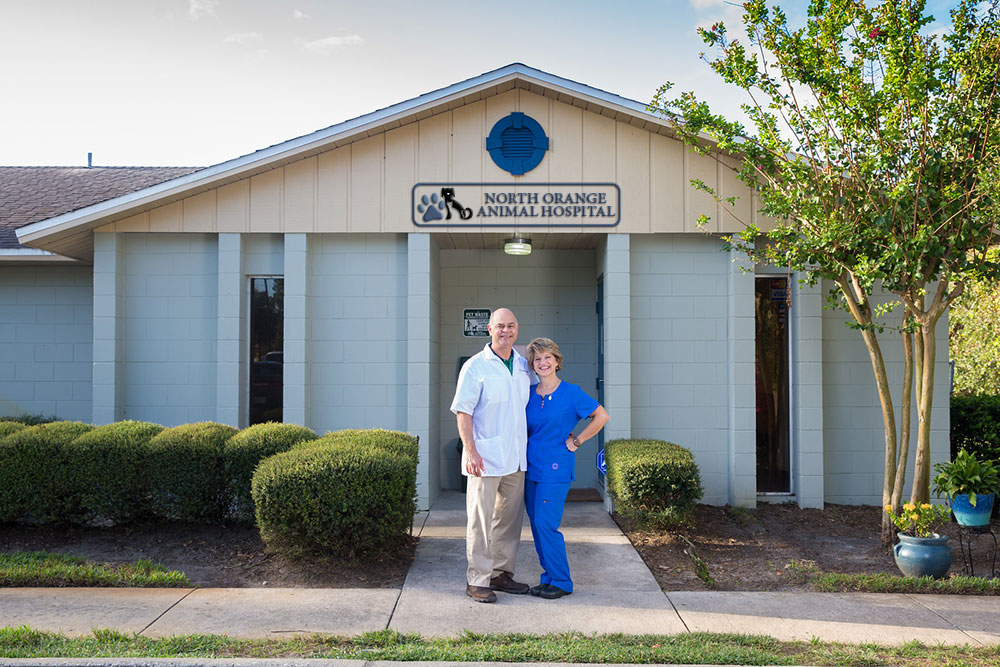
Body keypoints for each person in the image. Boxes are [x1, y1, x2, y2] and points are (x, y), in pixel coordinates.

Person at [450, 307, 533, 603]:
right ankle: (477, 579)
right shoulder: (475, 366)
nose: (505, 331)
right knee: (480, 521)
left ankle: (500, 574)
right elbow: (463, 411)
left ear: (517, 329)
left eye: (511, 326)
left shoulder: (524, 366)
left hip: (516, 457)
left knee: (508, 522)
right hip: (484, 457)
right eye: (500, 326)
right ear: (489, 329)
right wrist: (470, 451)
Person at [523, 337, 609, 600]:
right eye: (537, 359)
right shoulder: (528, 394)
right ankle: (548, 577)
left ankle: (562, 581)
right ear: (532, 365)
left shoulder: (571, 393)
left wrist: (578, 440)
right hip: (529, 467)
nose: (543, 362)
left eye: (548, 357)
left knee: (545, 523)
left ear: (557, 361)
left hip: (555, 468)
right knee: (537, 526)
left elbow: (601, 416)